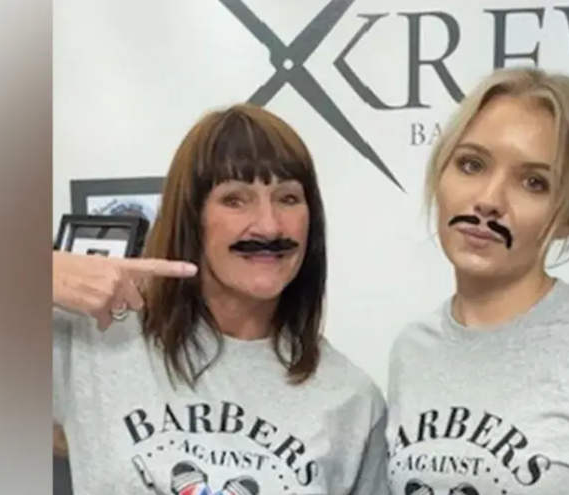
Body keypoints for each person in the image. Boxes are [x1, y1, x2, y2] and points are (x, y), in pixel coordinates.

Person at [53, 104, 388, 495]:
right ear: (192, 217)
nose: (268, 225)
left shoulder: (352, 399)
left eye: (288, 198)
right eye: (235, 199)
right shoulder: (96, 341)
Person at [385, 68, 569, 495]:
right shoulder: (414, 350)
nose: (489, 200)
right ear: (441, 174)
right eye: (471, 164)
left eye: (534, 182)